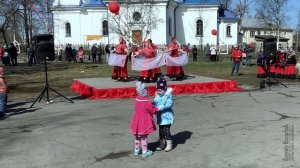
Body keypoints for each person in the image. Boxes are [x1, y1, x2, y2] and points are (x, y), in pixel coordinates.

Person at [130, 82, 158, 157]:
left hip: (137, 120)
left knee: (137, 136)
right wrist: (158, 108)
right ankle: (145, 151)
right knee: (144, 137)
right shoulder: (146, 101)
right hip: (144, 121)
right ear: (145, 91)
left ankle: (136, 150)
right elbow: (152, 110)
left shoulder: (137, 99)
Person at [153, 77, 174, 152]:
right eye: (157, 90)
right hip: (160, 117)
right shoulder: (157, 96)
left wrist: (161, 107)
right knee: (161, 131)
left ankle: (169, 144)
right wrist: (152, 105)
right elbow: (155, 103)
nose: (158, 92)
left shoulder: (168, 96)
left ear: (165, 90)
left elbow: (169, 104)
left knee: (166, 131)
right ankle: (162, 143)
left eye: (160, 90)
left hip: (167, 117)